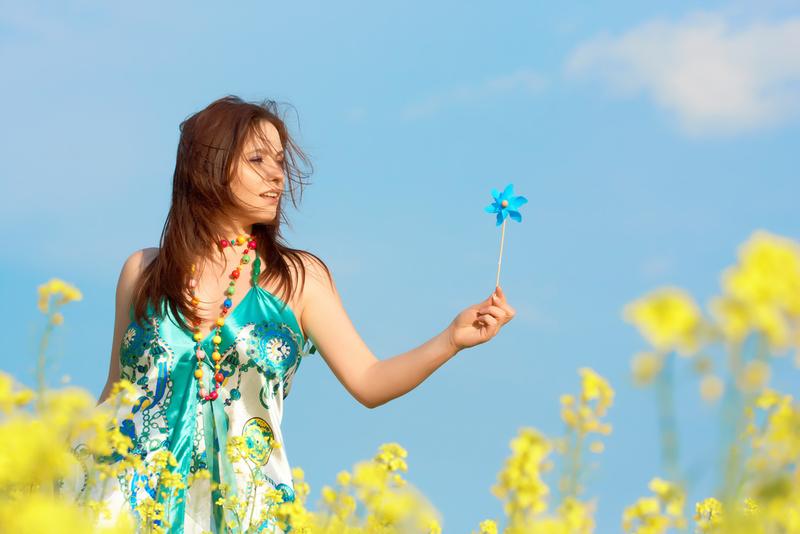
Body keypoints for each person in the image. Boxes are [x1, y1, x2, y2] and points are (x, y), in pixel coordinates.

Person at [88, 95, 516, 533]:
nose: (277, 174)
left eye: (279, 160)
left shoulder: (298, 278)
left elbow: (368, 380)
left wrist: (451, 338)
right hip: (127, 508)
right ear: (207, 167)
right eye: (257, 159)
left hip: (249, 512)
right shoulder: (142, 272)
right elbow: (114, 394)